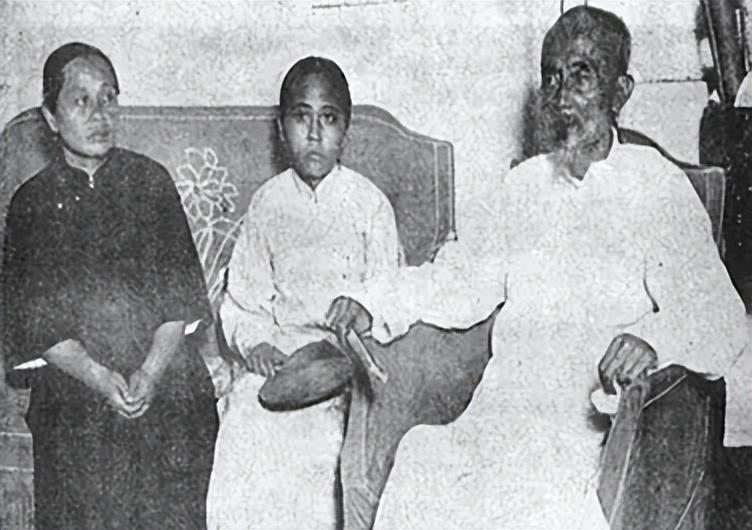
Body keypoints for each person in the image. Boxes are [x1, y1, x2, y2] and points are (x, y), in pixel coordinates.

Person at [326, 6, 751, 528]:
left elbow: (722, 316)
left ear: (620, 92)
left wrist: (654, 341)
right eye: (551, 77)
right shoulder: (522, 186)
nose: (561, 95)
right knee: (422, 460)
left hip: (588, 439)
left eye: (581, 75)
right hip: (499, 419)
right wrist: (374, 304)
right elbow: (459, 281)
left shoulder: (656, 186)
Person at [1, 42, 218, 529]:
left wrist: (150, 374)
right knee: (78, 443)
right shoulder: (31, 204)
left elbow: (179, 302)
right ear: (51, 117)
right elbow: (38, 325)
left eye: (108, 98)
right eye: (81, 101)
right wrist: (101, 379)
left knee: (183, 419)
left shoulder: (151, 182)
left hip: (162, 369)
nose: (100, 115)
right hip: (76, 378)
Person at [205, 56, 402, 529]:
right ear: (281, 128)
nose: (314, 133)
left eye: (328, 118)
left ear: (345, 130)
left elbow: (392, 295)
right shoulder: (267, 203)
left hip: (344, 368)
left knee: (318, 458)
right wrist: (256, 344)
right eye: (301, 117)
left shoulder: (369, 205)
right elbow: (243, 302)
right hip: (281, 362)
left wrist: (365, 314)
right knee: (243, 434)